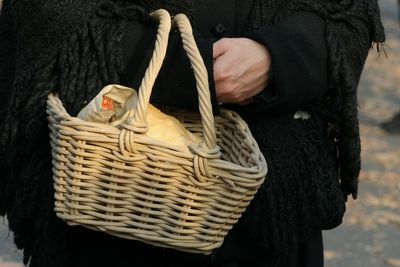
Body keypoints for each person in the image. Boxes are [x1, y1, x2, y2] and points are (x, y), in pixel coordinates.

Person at [0, 0, 384, 266]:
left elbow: (346, 14)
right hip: (115, 212)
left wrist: (275, 59)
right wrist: (194, 70)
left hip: (276, 216)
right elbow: (55, 18)